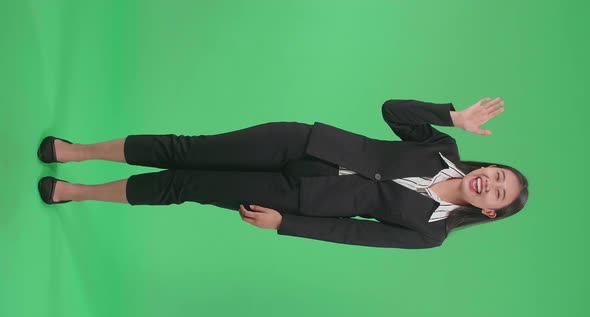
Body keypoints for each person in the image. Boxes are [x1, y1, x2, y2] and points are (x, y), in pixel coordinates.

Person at [37, 97, 528, 249]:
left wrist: (285, 224)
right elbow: (395, 112)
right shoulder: (442, 145)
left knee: (184, 184)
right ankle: (76, 151)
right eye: (498, 173)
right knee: (187, 149)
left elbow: (350, 234)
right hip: (303, 143)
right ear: (486, 166)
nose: (492, 181)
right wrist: (452, 116)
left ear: (489, 210)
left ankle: (75, 191)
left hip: (297, 196)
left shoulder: (430, 233)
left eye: (500, 194)